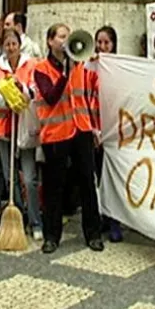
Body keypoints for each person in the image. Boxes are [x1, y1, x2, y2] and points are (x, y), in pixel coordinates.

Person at [34, 23, 104, 254]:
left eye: (67, 36)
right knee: (54, 186)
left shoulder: (80, 66)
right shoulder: (41, 69)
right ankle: (51, 236)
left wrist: (94, 127)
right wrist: (65, 71)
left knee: (87, 182)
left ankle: (93, 233)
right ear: (50, 41)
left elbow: (91, 93)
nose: (65, 41)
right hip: (56, 134)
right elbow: (52, 97)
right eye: (61, 37)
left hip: (81, 130)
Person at [0, 29, 41, 239]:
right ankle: (20, 217)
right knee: (11, 178)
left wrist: (22, 91)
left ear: (20, 45)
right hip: (5, 128)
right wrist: (8, 97)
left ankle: (36, 220)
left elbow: (36, 92)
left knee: (29, 178)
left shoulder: (31, 65)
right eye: (7, 44)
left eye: (14, 44)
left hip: (25, 127)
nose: (10, 48)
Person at [92, 26, 123, 242]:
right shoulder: (90, 65)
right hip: (94, 128)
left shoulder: (121, 67)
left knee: (114, 177)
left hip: (113, 129)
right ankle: (102, 215)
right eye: (99, 42)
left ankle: (115, 221)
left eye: (106, 43)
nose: (102, 47)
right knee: (99, 176)